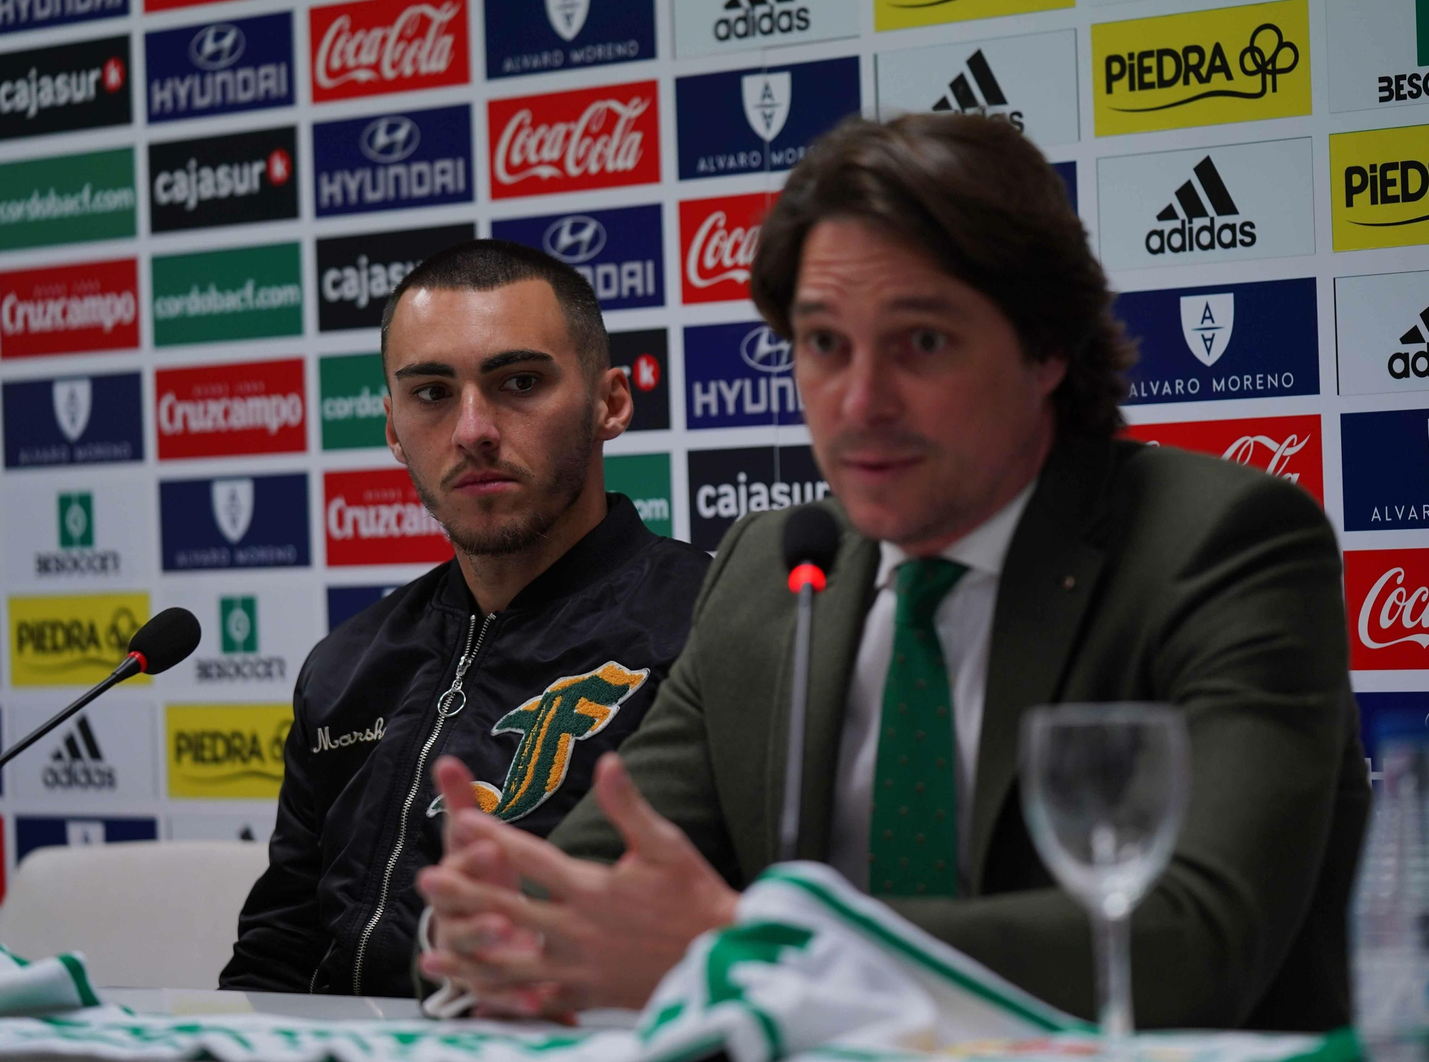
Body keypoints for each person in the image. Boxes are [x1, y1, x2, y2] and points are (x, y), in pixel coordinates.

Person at [415, 115, 1368, 1031]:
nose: (860, 403)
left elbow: (1193, 944)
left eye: (922, 342)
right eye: (825, 344)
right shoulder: (772, 575)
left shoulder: (1220, 543)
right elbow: (601, 893)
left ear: (1045, 348)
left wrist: (754, 946)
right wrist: (497, 923)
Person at [220, 240, 711, 997]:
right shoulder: (348, 661)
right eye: (432, 394)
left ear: (610, 403)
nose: (473, 429)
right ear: (391, 428)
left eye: (519, 382)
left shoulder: (704, 626)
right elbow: (278, 948)